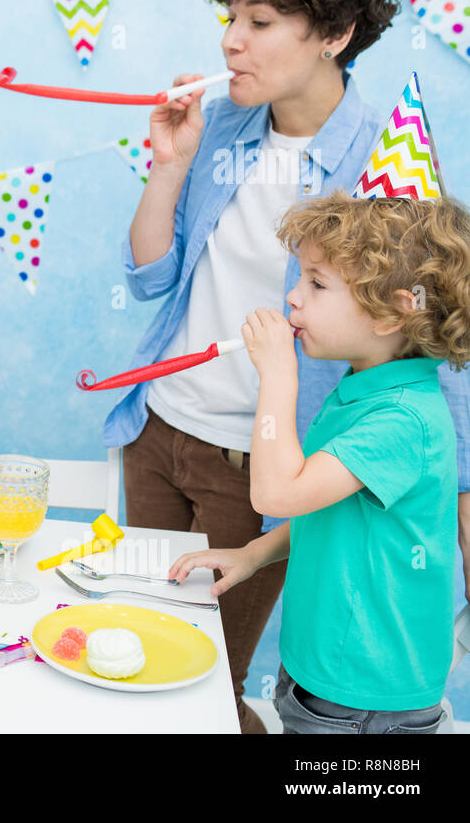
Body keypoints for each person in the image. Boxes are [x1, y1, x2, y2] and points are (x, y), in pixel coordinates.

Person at [104, 0, 470, 733]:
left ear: (335, 35)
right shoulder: (224, 128)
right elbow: (151, 278)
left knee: (199, 685)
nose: (232, 42)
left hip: (267, 463)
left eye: (260, 21)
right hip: (160, 431)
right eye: (229, 18)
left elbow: (427, 343)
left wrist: (460, 503)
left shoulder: (384, 155)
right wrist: (168, 168)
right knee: (137, 654)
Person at [171, 187, 470, 733]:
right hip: (320, 674)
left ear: (393, 313)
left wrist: (279, 375)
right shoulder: (364, 389)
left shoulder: (403, 421)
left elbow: (276, 494)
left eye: (316, 282)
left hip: (363, 698)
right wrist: (254, 553)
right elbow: (327, 505)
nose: (293, 297)